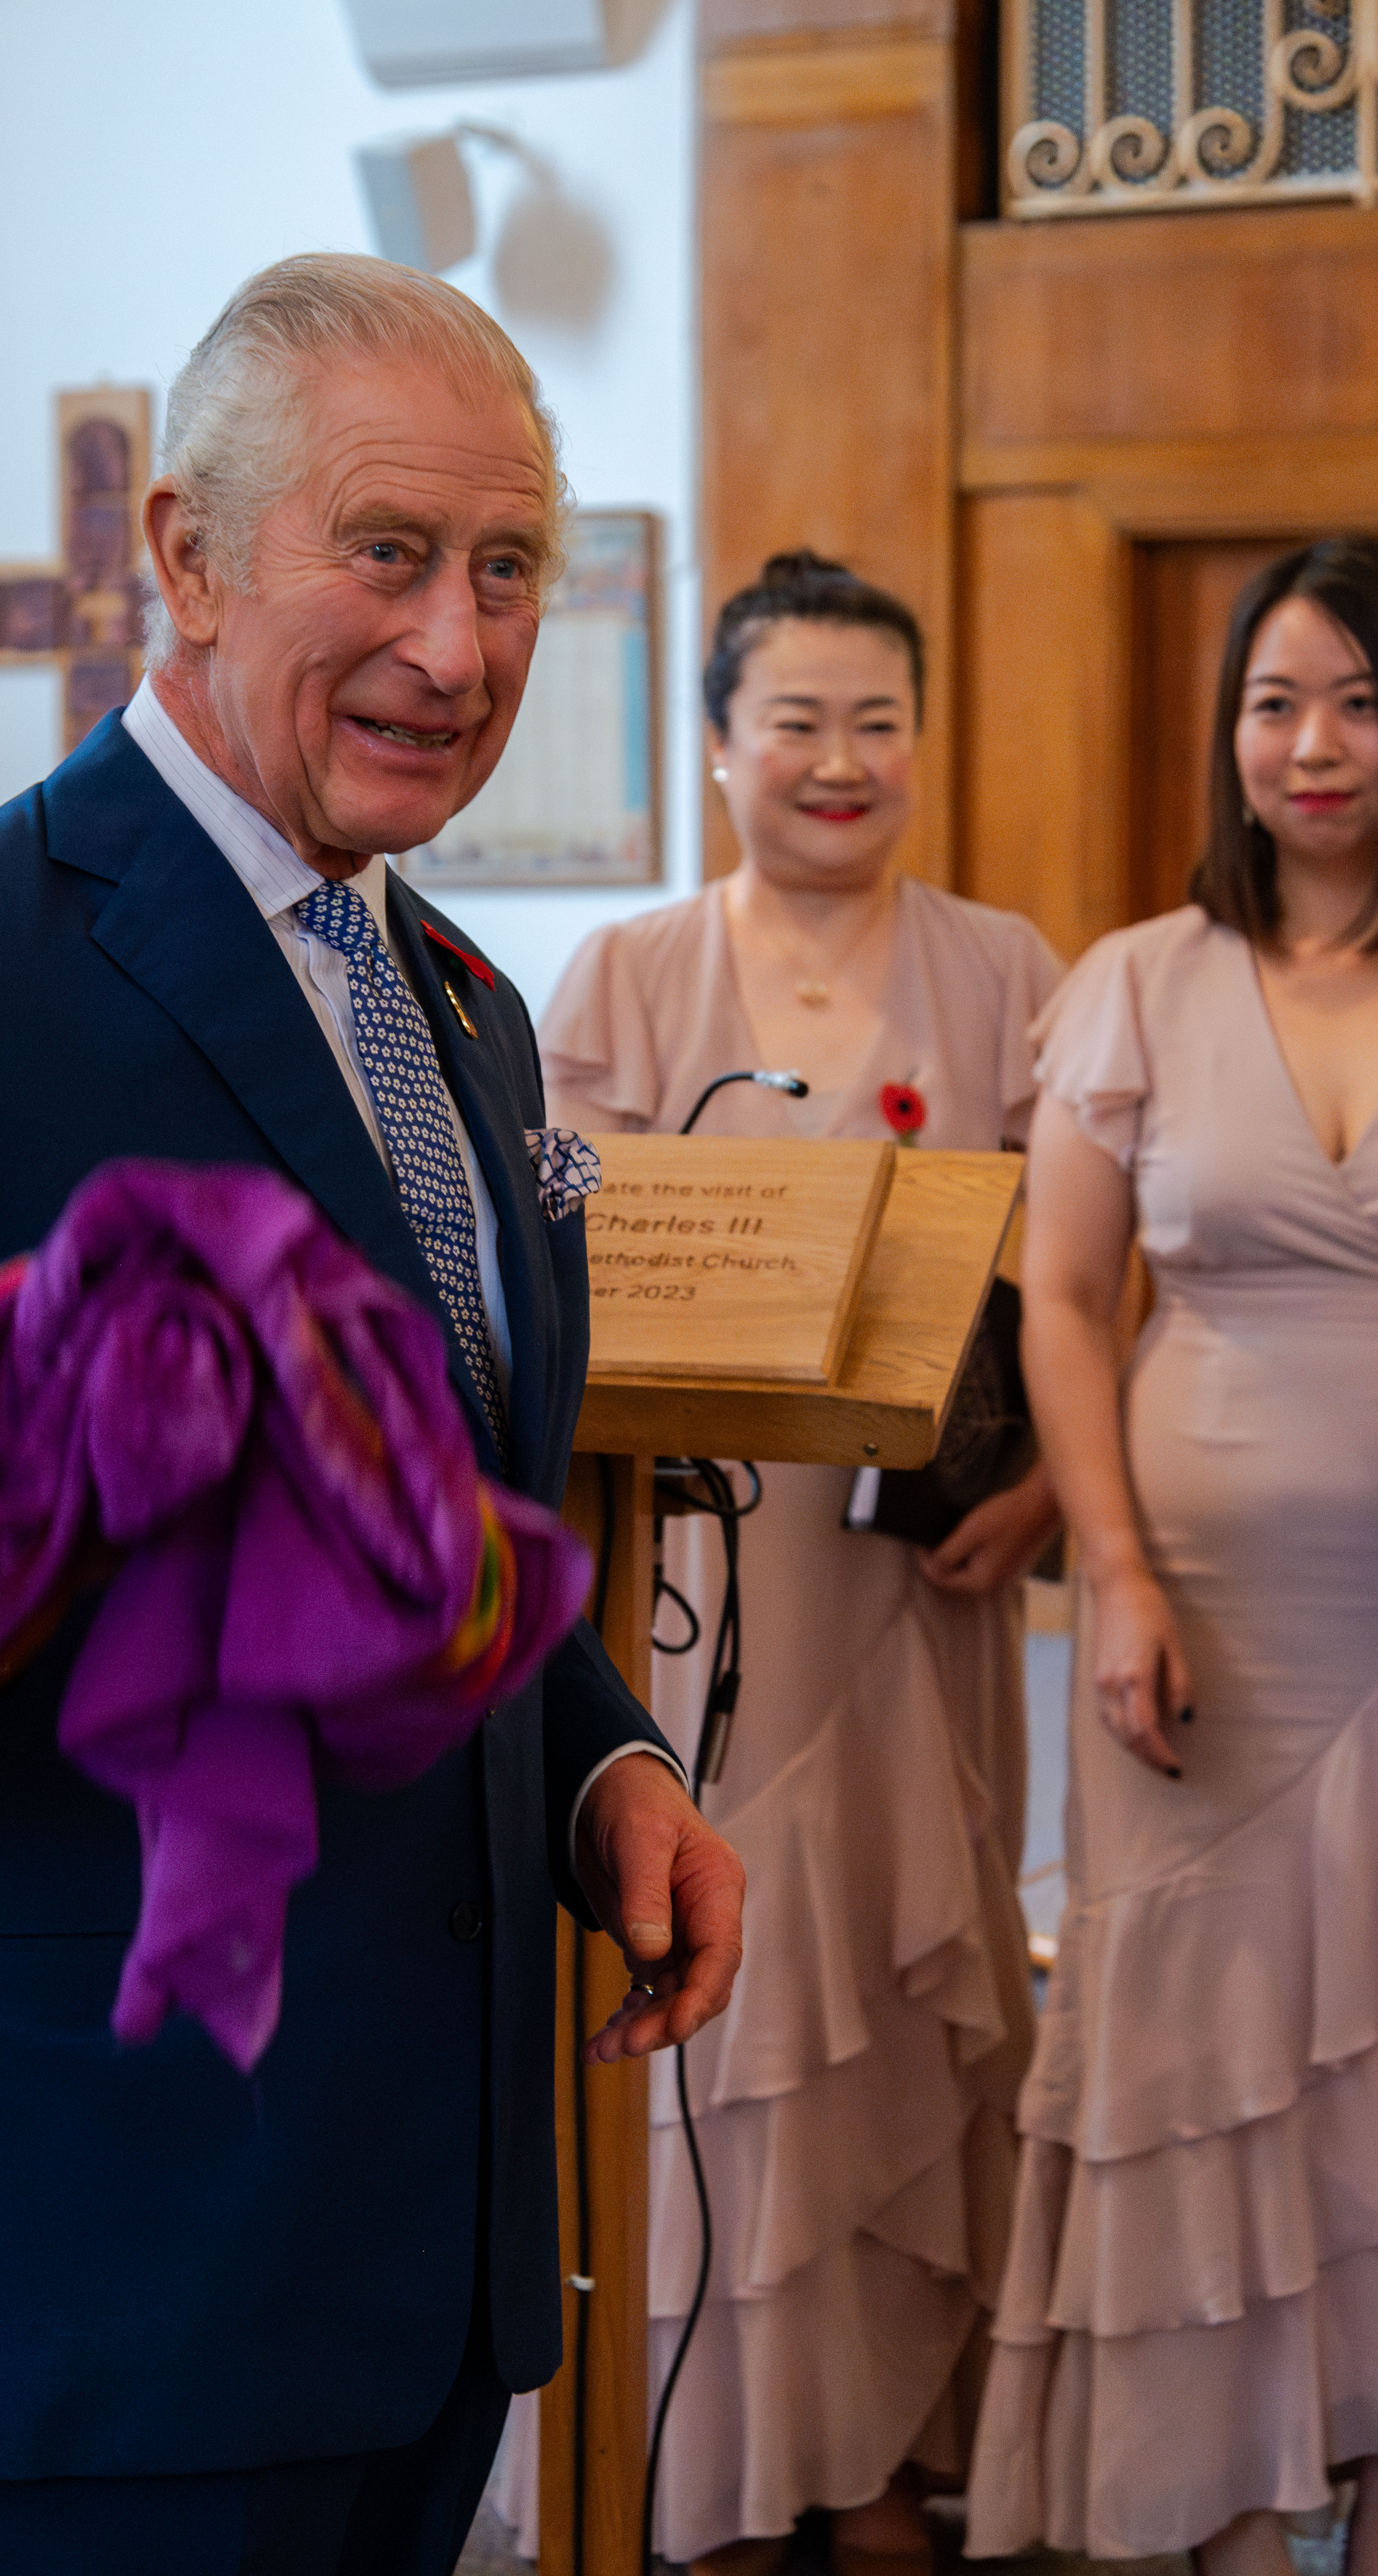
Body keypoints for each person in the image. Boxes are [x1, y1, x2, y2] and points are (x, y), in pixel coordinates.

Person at [0, 255, 745, 2576]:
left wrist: (602, 1757)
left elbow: (421, 1514)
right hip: (85, 2261)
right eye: (391, 551)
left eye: (509, 566)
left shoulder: (455, 1002)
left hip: (421, 2248)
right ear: (190, 554)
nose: (461, 643)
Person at [538, 552, 1063, 2576]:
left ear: (919, 740)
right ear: (719, 739)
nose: (839, 762)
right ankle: (706, 2472)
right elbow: (551, 1289)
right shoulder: (628, 977)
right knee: (720, 2016)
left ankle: (881, 2462)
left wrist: (1047, 1498)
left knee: (902, 2014)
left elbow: (1084, 1283)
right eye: (796, 720)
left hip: (915, 1599)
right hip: (687, 1604)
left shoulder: (1016, 966)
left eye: (878, 721)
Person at [965, 540, 1378, 2573]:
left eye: (1362, 698)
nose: (1313, 744)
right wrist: (1111, 1573)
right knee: (1197, 2048)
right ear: (1228, 733)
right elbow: (1061, 1297)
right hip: (1195, 1628)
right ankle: (1199, 2517)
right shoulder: (1134, 979)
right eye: (1275, 700)